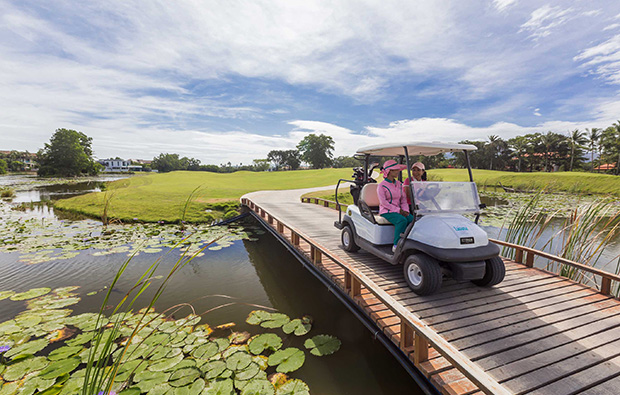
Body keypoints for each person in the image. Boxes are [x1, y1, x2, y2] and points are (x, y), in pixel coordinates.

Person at [378, 160, 414, 253]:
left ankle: (409, 242)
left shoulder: (399, 184)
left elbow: (403, 199)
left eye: (398, 170)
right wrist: (399, 210)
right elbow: (384, 203)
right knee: (402, 220)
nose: (398, 171)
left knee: (412, 220)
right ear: (389, 171)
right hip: (387, 211)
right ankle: (396, 244)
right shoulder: (381, 186)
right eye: (395, 170)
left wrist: (406, 210)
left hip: (399, 210)